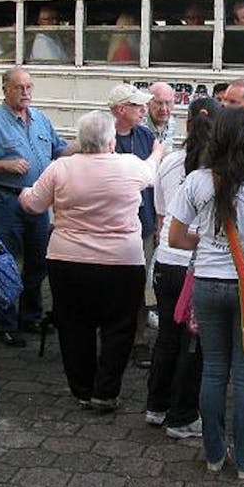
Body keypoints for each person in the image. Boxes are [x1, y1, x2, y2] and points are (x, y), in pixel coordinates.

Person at [168, 107, 244, 482]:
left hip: (206, 283)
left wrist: (207, 242)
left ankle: (214, 454)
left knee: (213, 370)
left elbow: (174, 238)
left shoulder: (196, 182)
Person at [20, 110, 162, 410]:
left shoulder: (61, 168)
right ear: (112, 141)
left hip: (67, 260)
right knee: (119, 327)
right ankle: (106, 392)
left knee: (74, 326)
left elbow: (33, 204)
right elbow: (152, 171)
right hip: (122, 262)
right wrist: (158, 151)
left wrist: (22, 193)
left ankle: (82, 389)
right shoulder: (129, 166)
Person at [0, 68, 70, 347]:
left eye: (29, 87)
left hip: (37, 200)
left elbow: (58, 149)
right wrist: (4, 165)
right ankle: (6, 323)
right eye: (19, 88)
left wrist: (86, 146)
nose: (26, 93)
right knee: (6, 263)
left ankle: (31, 317)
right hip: (6, 200)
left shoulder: (40, 119)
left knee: (38, 260)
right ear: (5, 89)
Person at [146, 97, 222, 438]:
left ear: (187, 125)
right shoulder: (221, 172)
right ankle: (183, 414)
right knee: (194, 345)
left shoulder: (170, 162)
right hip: (196, 266)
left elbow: (162, 214)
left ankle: (156, 406)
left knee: (167, 337)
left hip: (166, 261)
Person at [108, 82, 157, 368]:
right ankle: (114, 338)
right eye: (138, 105)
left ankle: (138, 340)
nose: (143, 109)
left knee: (140, 284)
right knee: (113, 285)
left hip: (144, 222)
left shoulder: (146, 135)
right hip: (113, 225)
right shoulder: (104, 137)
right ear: (120, 110)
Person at [145, 81, 177, 152]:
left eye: (168, 102)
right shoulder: (139, 128)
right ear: (148, 103)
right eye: (159, 103)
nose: (164, 109)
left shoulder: (172, 122)